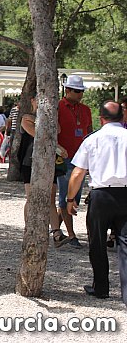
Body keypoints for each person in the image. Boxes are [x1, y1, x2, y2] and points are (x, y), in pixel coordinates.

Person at [66, 101, 127, 304]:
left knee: (97, 243)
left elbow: (77, 173)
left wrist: (70, 199)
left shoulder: (93, 139)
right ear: (123, 117)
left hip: (101, 195)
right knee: (125, 245)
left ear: (101, 118)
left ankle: (100, 288)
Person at [18, 95, 70, 248]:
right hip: (30, 162)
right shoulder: (27, 117)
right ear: (32, 101)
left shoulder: (51, 118)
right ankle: (29, 230)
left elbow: (58, 129)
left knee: (51, 197)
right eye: (37, 99)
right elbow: (37, 134)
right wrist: (57, 147)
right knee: (31, 196)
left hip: (48, 161)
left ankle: (56, 233)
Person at [57, 75, 93, 248]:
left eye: (82, 91)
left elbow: (90, 132)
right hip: (64, 158)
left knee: (75, 197)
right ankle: (71, 235)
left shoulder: (85, 110)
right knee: (66, 197)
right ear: (67, 90)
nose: (80, 94)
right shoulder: (57, 107)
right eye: (77, 91)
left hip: (82, 159)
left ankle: (56, 230)